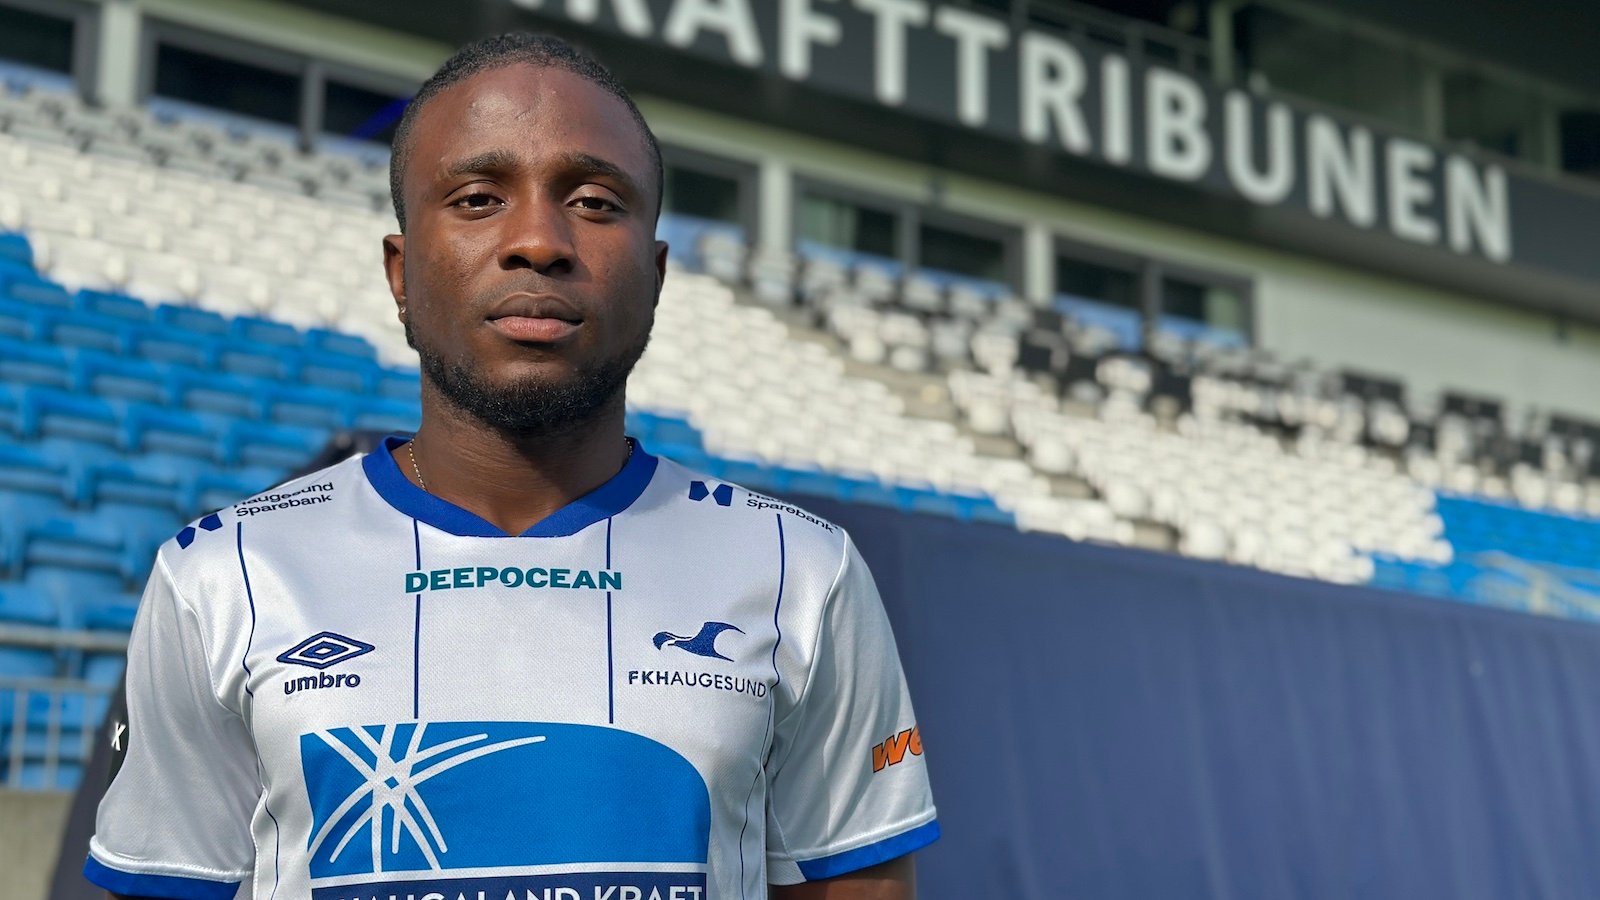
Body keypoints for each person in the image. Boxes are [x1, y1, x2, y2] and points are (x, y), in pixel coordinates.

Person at [84, 33, 938, 900]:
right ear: (401, 272)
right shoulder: (222, 574)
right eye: (479, 198)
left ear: (655, 276)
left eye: (595, 201)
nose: (538, 241)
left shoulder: (802, 572)